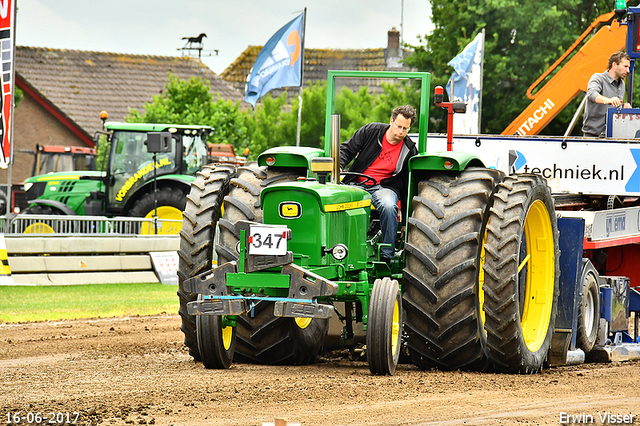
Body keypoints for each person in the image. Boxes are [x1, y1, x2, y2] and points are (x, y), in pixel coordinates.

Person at [339, 105, 418, 263]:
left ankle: (386, 257)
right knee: (339, 202)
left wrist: (405, 222)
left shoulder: (409, 150)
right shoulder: (371, 131)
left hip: (383, 187)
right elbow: (347, 150)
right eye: (399, 126)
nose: (401, 132)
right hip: (356, 182)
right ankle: (340, 249)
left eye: (405, 128)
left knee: (389, 206)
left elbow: (407, 184)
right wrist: (339, 167)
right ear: (391, 121)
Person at [582, 51, 632, 138]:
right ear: (614, 65)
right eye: (625, 66)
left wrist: (623, 107)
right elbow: (592, 95)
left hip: (612, 137)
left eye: (628, 67)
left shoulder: (622, 84)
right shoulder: (598, 78)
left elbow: (615, 106)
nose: (628, 71)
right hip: (593, 137)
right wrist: (608, 100)